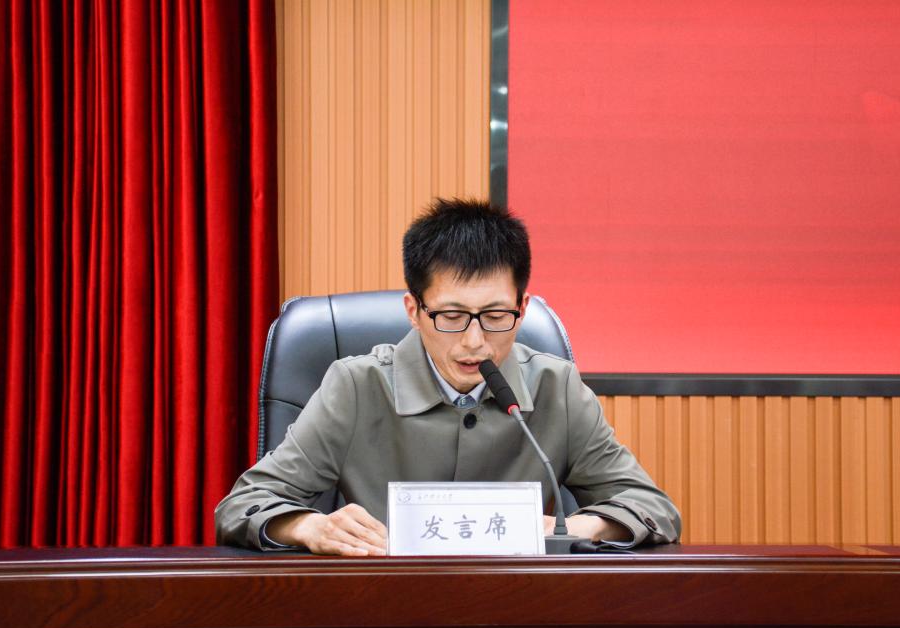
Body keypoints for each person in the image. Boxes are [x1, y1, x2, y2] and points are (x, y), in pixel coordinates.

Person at [215, 198, 681, 554]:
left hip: (517, 614)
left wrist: (574, 527)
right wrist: (309, 525)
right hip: (385, 613)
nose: (475, 341)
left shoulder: (556, 388)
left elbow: (653, 508)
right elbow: (242, 505)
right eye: (452, 316)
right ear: (413, 310)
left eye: (495, 316)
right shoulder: (356, 386)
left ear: (522, 309)